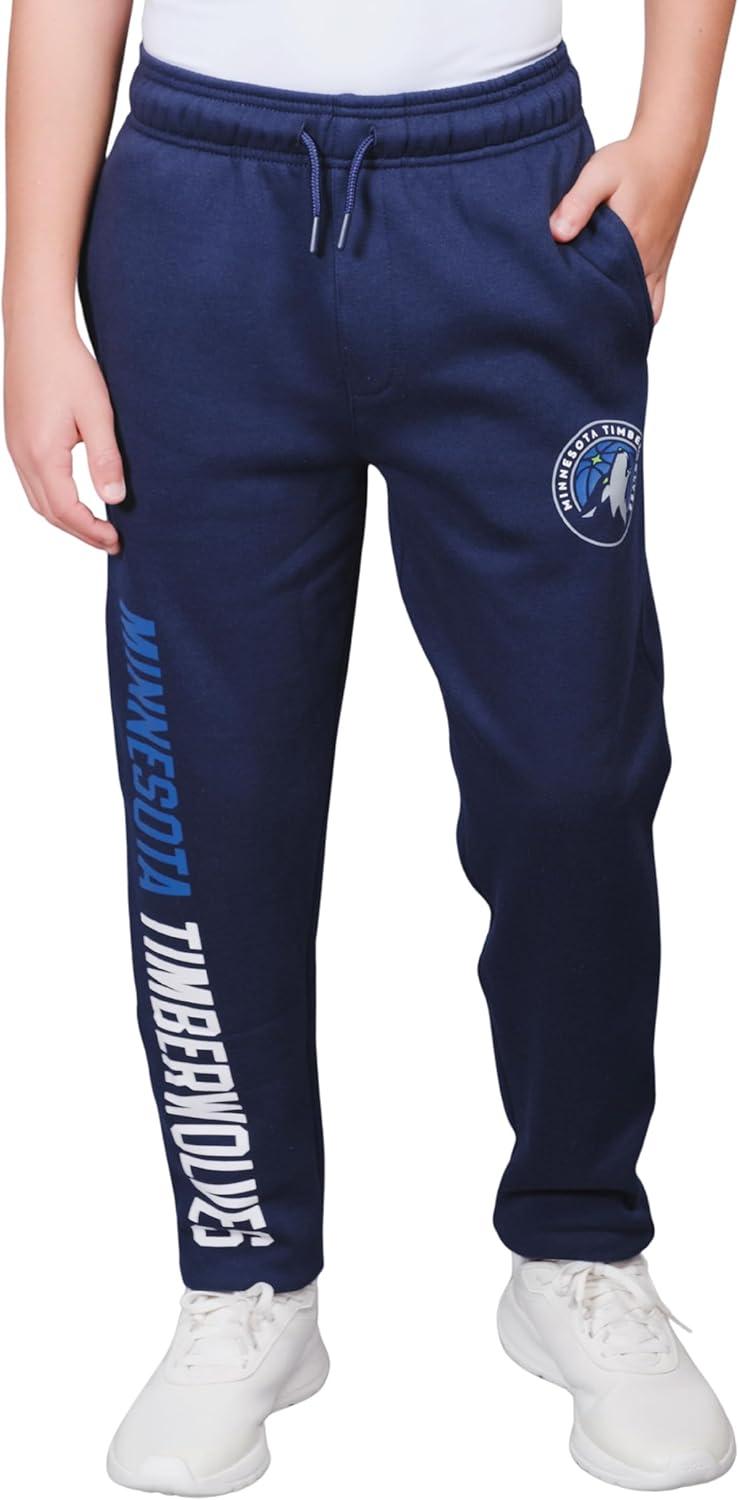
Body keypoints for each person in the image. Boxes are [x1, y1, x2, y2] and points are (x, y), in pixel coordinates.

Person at [3, 0, 736, 1492]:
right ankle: (247, 1278)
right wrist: (31, 306)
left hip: (507, 201)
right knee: (208, 797)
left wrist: (670, 140)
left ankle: (579, 1243)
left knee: (574, 777)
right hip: (199, 220)